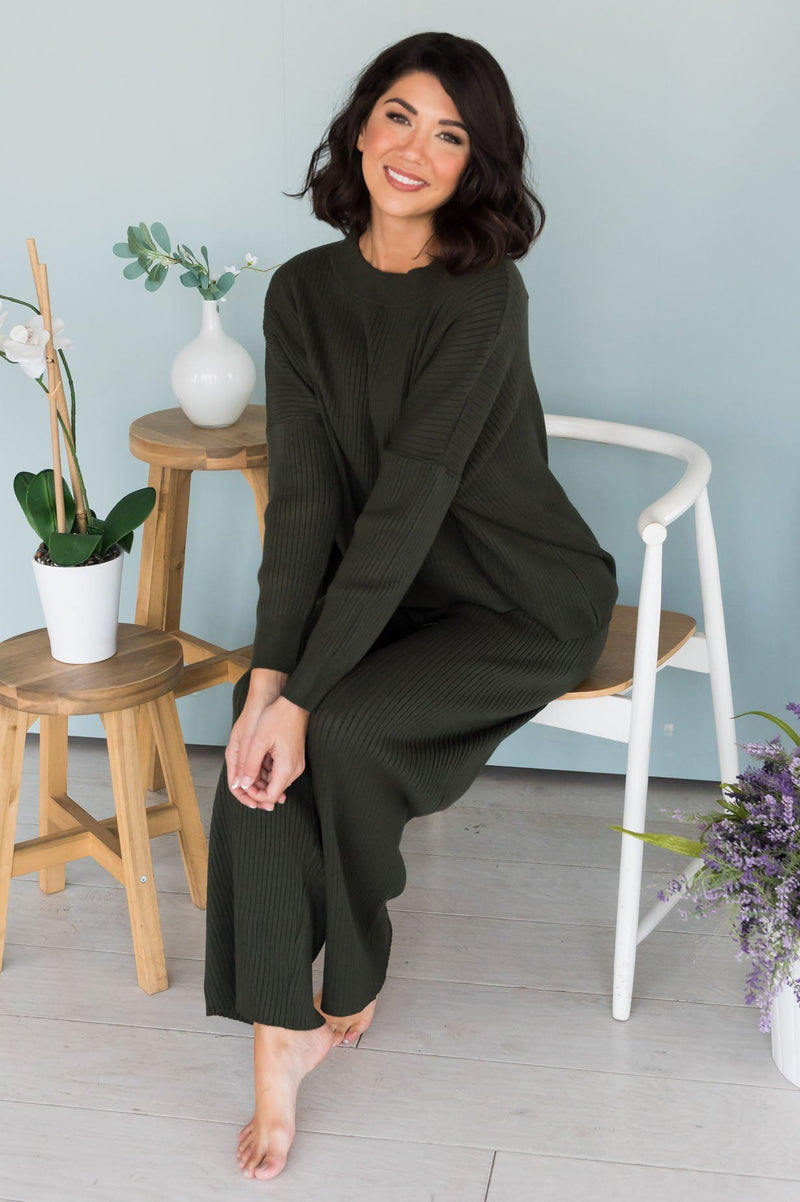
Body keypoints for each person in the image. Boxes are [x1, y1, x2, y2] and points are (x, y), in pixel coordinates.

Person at [204, 31, 619, 1181]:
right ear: (359, 126)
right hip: (388, 600)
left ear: (474, 165)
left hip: (517, 597)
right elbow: (305, 505)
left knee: (336, 726)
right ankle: (275, 1033)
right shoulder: (301, 292)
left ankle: (353, 972)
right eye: (399, 115)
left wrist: (305, 695)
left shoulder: (482, 294)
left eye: (450, 135)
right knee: (253, 728)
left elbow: (405, 505)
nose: (415, 149)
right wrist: (270, 682)